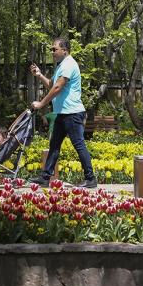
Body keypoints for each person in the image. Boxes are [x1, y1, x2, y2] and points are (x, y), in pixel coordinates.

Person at [29, 37, 97, 188]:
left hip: (72, 113)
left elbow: (58, 88)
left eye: (54, 49)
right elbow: (52, 85)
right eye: (51, 49)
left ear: (64, 50)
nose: (52, 52)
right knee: (54, 145)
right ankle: (45, 177)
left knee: (78, 144)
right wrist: (39, 74)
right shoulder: (61, 66)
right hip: (62, 113)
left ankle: (90, 179)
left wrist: (41, 104)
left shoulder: (69, 64)